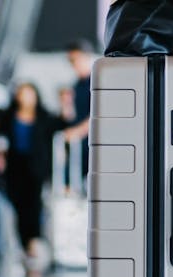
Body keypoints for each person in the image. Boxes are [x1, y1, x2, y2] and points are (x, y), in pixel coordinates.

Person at [0, 83, 68, 268]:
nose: (27, 99)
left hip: (36, 168)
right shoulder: (9, 117)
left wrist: (65, 103)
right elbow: (0, 139)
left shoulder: (44, 117)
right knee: (19, 207)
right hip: (15, 168)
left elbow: (63, 123)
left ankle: (33, 243)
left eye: (30, 95)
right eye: (23, 94)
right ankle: (25, 243)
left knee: (34, 205)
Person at [61, 40, 94, 186]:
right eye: (70, 61)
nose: (73, 64)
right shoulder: (76, 86)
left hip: (94, 144)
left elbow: (100, 114)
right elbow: (71, 117)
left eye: (75, 59)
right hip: (79, 146)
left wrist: (78, 131)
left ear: (86, 57)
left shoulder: (97, 81)